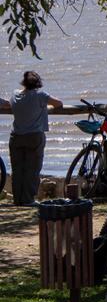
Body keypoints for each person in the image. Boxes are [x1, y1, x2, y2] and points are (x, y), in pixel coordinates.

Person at [2, 71, 62, 206]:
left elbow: (8, 104)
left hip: (16, 136)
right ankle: (28, 199)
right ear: (37, 83)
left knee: (17, 169)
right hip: (34, 136)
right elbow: (58, 103)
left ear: (24, 82)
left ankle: (18, 199)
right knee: (32, 169)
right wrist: (45, 108)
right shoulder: (40, 95)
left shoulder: (16, 94)